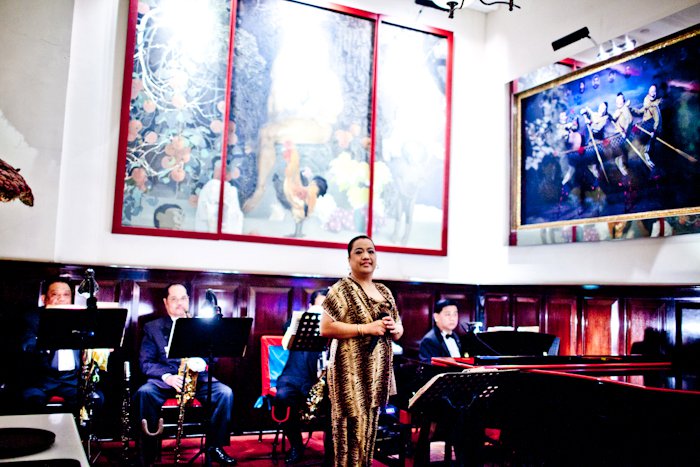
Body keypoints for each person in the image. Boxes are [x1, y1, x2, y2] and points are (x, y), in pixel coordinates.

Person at [320, 235, 403, 466]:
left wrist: (395, 328)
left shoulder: (384, 291)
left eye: (371, 251)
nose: (366, 256)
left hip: (377, 375)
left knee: (368, 437)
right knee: (350, 438)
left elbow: (398, 329)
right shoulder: (341, 289)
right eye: (359, 252)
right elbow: (326, 328)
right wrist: (365, 328)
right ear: (349, 259)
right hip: (349, 375)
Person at [134, 283, 237, 466]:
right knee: (144, 393)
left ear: (188, 300)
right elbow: (146, 363)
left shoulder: (202, 326)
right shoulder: (152, 327)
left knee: (225, 393)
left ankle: (215, 447)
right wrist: (168, 377)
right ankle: (147, 452)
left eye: (183, 298)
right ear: (165, 302)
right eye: (174, 299)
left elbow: (213, 357)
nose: (179, 303)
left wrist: (203, 362)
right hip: (165, 381)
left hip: (197, 379)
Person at [275, 288, 332, 465]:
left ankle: (331, 454)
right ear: (310, 306)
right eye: (320, 306)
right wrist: (312, 315)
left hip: (325, 381)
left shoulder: (336, 326)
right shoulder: (301, 324)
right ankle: (296, 446)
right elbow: (286, 327)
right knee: (283, 397)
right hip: (294, 379)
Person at [20, 278, 92, 412]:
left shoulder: (81, 318)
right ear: (44, 299)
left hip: (72, 381)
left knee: (94, 400)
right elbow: (27, 346)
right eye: (55, 294)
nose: (61, 299)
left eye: (66, 295)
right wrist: (50, 340)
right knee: (32, 403)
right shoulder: (33, 318)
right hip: (42, 381)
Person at [195, 159, 244, 234]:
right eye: (217, 170)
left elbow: (235, 215)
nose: (219, 173)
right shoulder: (210, 185)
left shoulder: (231, 190)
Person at [418, 298, 463, 363]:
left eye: (455, 314)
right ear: (436, 317)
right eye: (448, 314)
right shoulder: (429, 341)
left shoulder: (456, 336)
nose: (452, 318)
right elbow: (428, 366)